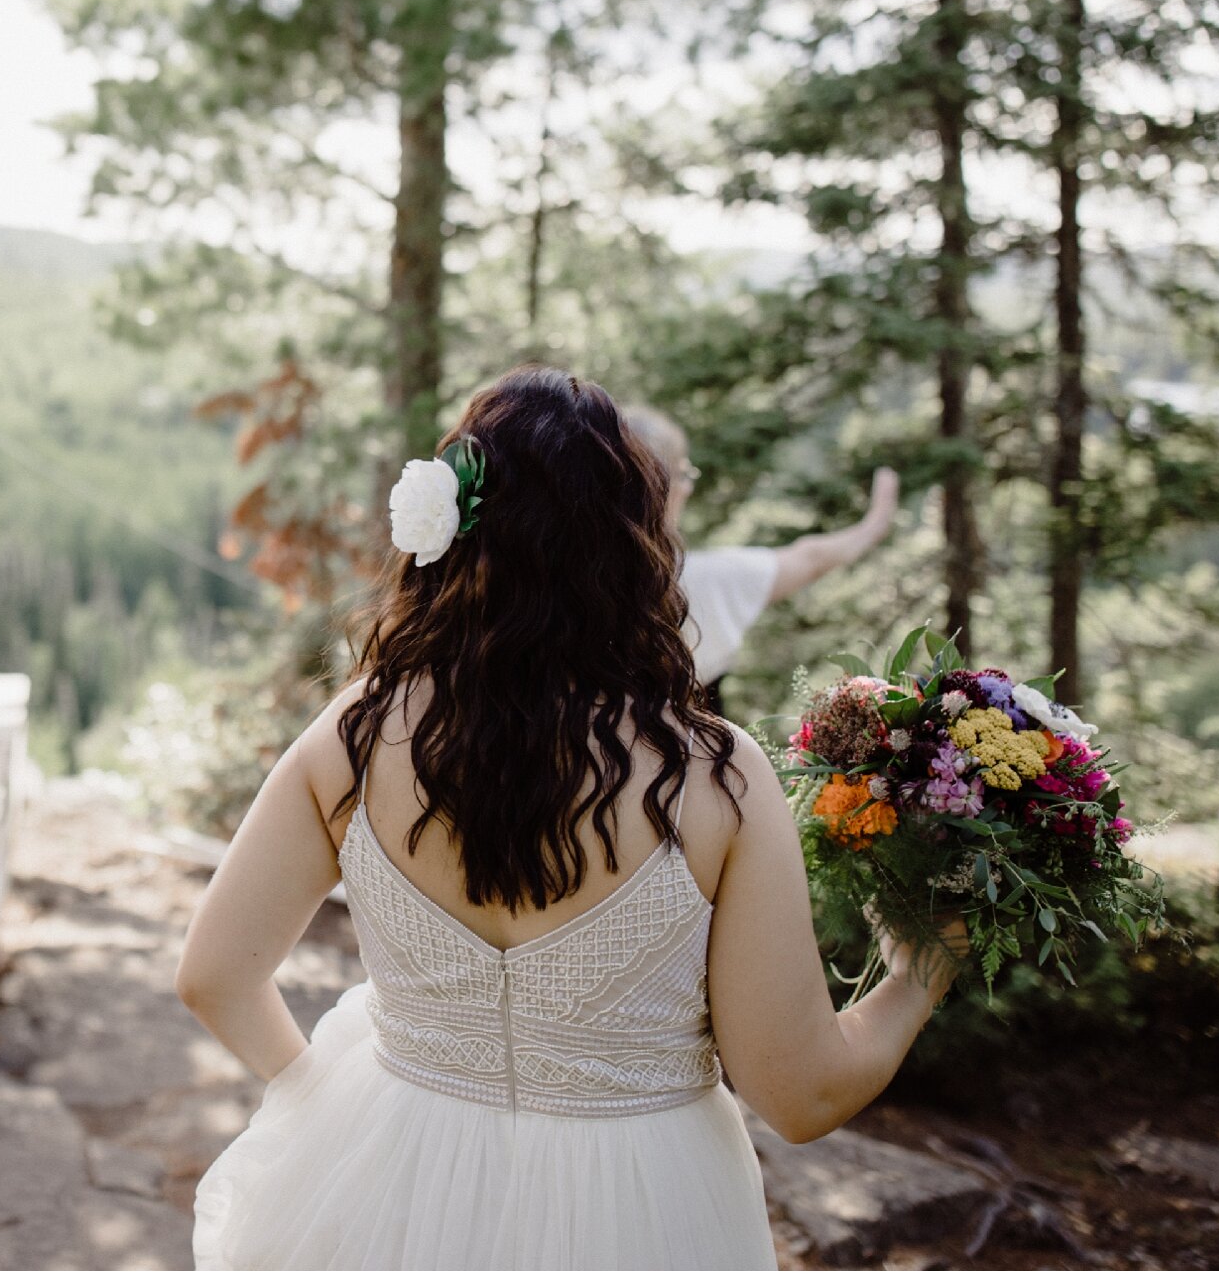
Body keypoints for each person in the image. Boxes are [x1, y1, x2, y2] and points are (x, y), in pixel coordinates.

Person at [179, 367, 962, 1268]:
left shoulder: (353, 734)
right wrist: (919, 974)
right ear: (634, 545)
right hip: (642, 1200)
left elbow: (214, 978)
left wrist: (322, 1100)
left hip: (387, 1171)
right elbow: (801, 1097)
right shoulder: (716, 776)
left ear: (454, 530)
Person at [621, 404, 901, 716]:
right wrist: (873, 525)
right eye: (684, 473)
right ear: (662, 484)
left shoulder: (571, 584)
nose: (688, 487)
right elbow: (810, 559)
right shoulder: (699, 581)